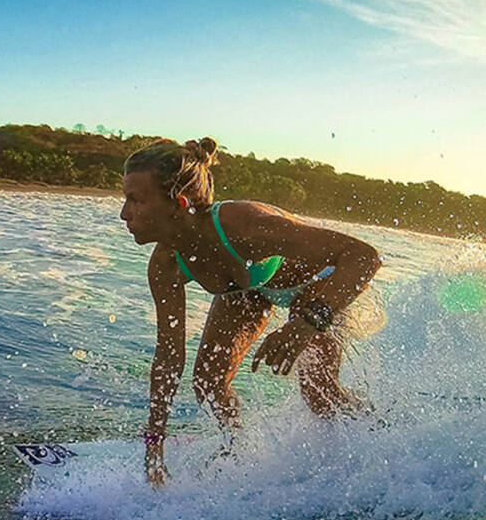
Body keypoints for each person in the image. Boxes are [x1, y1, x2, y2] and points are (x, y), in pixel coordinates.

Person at [119, 138, 383, 487]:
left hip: (319, 285)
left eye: (135, 200)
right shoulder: (166, 265)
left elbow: (364, 257)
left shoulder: (243, 224)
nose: (125, 213)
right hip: (249, 289)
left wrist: (305, 324)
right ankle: (239, 450)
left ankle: (381, 431)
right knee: (208, 382)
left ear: (178, 204)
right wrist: (154, 448)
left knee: (320, 395)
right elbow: (169, 359)